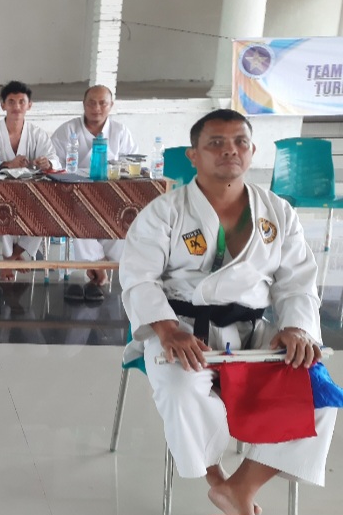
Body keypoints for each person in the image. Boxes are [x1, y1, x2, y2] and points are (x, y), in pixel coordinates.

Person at [120, 109, 335, 515]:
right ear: (193, 155)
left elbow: (297, 282)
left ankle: (241, 486)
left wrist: (296, 328)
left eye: (240, 142)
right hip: (183, 329)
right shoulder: (164, 212)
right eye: (215, 143)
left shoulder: (277, 212)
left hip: (252, 332)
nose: (229, 150)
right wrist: (167, 329)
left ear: (252, 151)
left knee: (316, 392)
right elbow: (138, 278)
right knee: (182, 388)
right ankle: (215, 477)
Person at [51, 85, 138, 301]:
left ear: (111, 105)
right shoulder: (67, 130)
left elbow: (132, 165)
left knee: (128, 217)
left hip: (113, 197)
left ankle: (105, 265)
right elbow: (53, 163)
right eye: (91, 102)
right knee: (76, 215)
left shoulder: (120, 132)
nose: (96, 108)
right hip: (76, 196)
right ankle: (97, 266)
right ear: (83, 104)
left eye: (102, 103)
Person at [0, 81, 60, 281]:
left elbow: (54, 160)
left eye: (21, 102)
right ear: (3, 105)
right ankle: (11, 256)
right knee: (2, 207)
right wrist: (6, 164)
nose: (16, 107)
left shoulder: (37, 134)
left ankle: (11, 257)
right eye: (11, 102)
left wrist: (47, 162)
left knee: (48, 210)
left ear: (29, 105)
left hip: (32, 194)